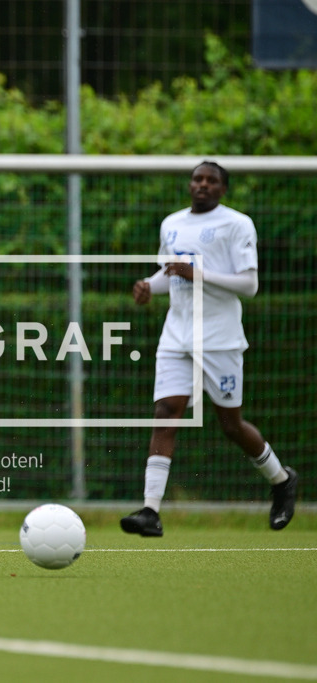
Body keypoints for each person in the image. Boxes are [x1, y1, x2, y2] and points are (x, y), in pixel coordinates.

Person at [121, 161, 298, 537]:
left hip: (219, 339)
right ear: (190, 185)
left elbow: (249, 285)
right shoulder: (172, 224)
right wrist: (149, 286)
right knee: (165, 413)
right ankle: (150, 511)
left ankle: (281, 480)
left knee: (231, 425)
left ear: (222, 188)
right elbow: (171, 273)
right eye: (197, 179)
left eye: (211, 180)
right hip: (176, 336)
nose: (202, 184)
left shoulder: (237, 224)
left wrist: (197, 274)